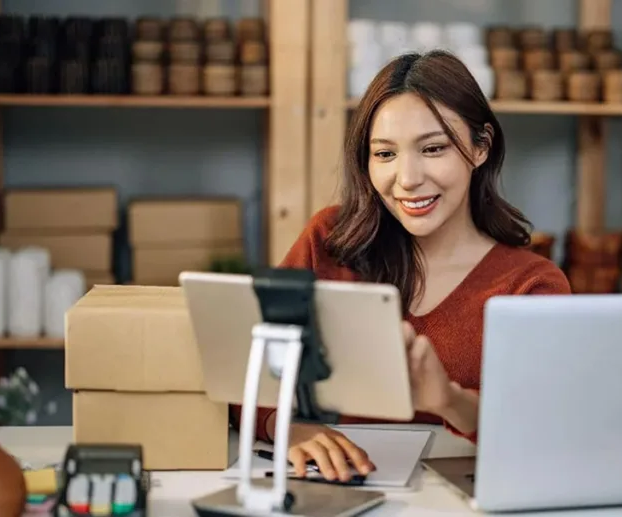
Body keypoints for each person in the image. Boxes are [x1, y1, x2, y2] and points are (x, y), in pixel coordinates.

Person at [241, 49, 571, 482]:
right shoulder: (331, 240)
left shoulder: (531, 285)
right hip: (331, 493)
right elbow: (244, 372)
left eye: (433, 148)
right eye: (385, 154)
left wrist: (449, 399)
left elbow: (544, 428)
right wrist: (286, 426)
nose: (408, 178)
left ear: (480, 148)